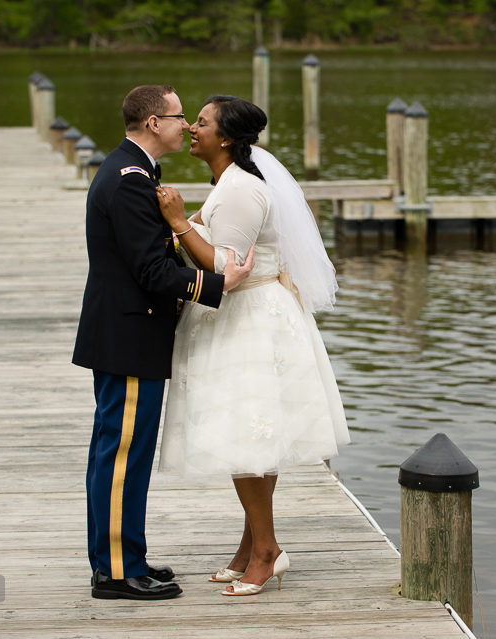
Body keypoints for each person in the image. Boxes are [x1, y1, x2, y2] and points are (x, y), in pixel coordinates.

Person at [155, 95, 350, 597]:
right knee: (252, 440)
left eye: (201, 122)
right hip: (246, 316)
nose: (191, 129)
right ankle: (250, 547)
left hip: (249, 320)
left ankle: (267, 551)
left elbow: (226, 268)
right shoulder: (229, 183)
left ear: (225, 138)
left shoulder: (241, 189)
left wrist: (178, 223)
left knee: (245, 439)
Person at [72, 85, 255, 601]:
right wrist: (219, 284)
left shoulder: (135, 171)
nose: (188, 127)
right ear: (154, 122)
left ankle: (127, 556)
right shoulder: (130, 180)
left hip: (128, 333)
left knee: (120, 452)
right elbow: (151, 270)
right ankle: (114, 572)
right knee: (122, 456)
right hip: (129, 335)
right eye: (180, 117)